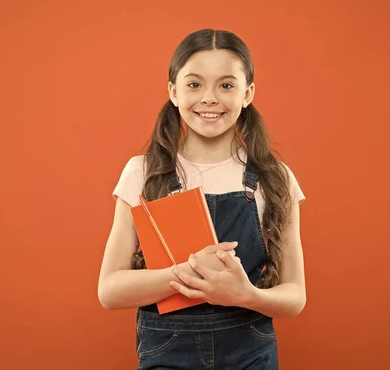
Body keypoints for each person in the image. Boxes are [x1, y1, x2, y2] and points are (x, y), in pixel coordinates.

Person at [98, 28, 306, 369]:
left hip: (250, 354)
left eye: (226, 85)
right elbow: (109, 289)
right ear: (173, 91)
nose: (209, 98)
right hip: (167, 353)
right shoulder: (144, 173)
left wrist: (245, 295)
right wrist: (189, 272)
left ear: (248, 93)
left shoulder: (274, 178)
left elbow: (295, 296)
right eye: (194, 84)